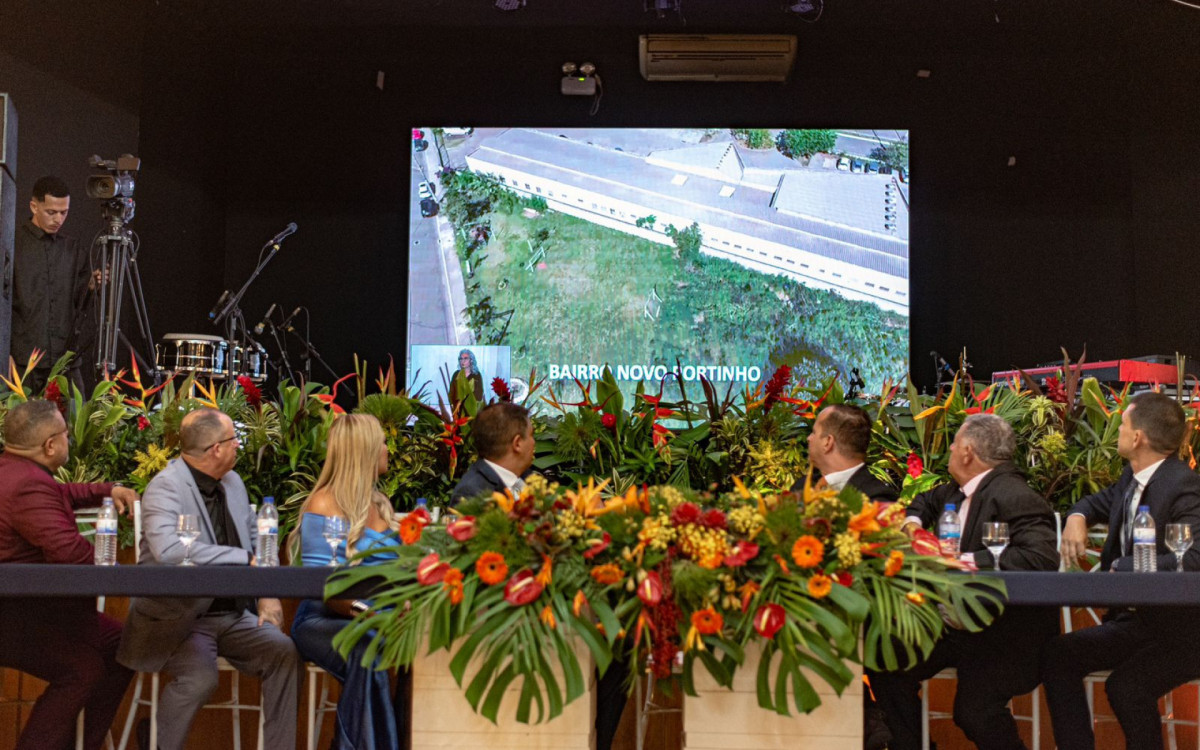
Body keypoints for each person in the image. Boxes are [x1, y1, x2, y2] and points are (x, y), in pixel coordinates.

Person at [869, 413, 1059, 750]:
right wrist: (912, 523)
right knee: (884, 659)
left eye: (955, 444)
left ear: (968, 452)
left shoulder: (1015, 495)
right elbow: (924, 501)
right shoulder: (956, 492)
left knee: (973, 712)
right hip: (957, 628)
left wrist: (961, 561)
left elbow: (1040, 558)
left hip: (1007, 634)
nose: (951, 451)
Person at [117, 408, 302, 750]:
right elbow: (170, 551)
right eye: (234, 440)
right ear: (216, 449)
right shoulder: (166, 487)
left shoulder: (233, 482)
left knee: (283, 652)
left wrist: (267, 592)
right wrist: (242, 559)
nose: (239, 446)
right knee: (200, 677)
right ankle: (158, 743)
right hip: (180, 618)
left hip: (232, 615)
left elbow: (259, 541)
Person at [1043, 391, 1200, 750]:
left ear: (1137, 437)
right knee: (1059, 655)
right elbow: (1095, 502)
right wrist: (1077, 516)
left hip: (1183, 633)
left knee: (1127, 687)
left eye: (1123, 424)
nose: (1118, 430)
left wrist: (1123, 567)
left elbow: (1193, 559)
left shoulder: (1185, 486)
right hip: (1138, 624)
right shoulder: (1132, 478)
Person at [0, 399, 138, 750]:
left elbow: (60, 493)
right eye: (65, 434)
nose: (69, 440)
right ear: (50, 445)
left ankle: (81, 744)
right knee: (82, 669)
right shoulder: (29, 486)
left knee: (123, 644)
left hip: (30, 609)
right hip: (17, 616)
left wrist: (106, 490)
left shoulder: (13, 471)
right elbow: (72, 556)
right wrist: (122, 576)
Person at [288, 414, 410, 750]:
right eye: (382, 442)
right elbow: (324, 587)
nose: (387, 448)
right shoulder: (323, 503)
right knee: (366, 647)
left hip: (377, 621)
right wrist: (372, 615)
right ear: (365, 451)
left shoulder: (381, 505)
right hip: (324, 620)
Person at [11, 176, 96, 392]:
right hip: (23, 360)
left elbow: (80, 305)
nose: (58, 219)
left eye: (63, 212)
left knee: (78, 413)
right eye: (51, 212)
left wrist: (92, 287)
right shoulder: (12, 244)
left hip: (65, 359)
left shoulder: (73, 250)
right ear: (34, 207)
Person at [803, 403, 899, 502]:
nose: (809, 438)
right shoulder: (802, 486)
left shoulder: (877, 501)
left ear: (827, 442)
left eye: (814, 432)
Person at [451, 402, 535, 503]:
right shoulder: (472, 494)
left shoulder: (529, 478)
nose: (533, 442)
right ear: (517, 443)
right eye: (531, 435)